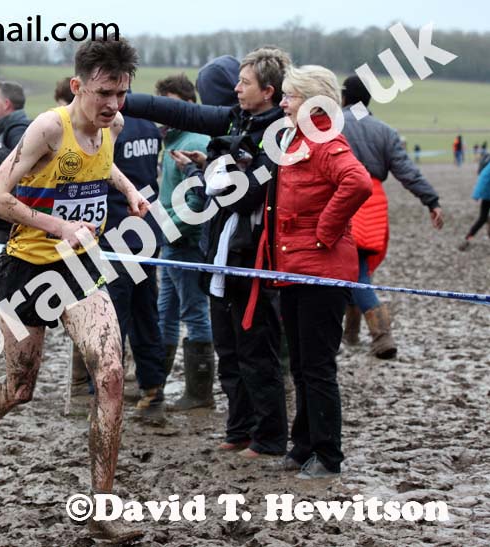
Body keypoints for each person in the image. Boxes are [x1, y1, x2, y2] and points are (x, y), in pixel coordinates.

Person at [0, 38, 149, 543]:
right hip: (26, 269)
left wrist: (129, 190)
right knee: (21, 387)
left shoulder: (112, 125)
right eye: (103, 93)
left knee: (111, 372)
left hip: (80, 270)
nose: (113, 104)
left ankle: (102, 506)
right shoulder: (49, 127)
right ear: (78, 87)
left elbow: (101, 164)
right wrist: (58, 226)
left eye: (121, 92)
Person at [122, 50, 291, 457]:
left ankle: (268, 439)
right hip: (218, 251)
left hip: (252, 256)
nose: (236, 89)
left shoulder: (279, 133)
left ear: (267, 91)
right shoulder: (236, 119)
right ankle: (239, 431)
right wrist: (116, 96)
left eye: (244, 83)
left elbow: (246, 193)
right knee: (229, 350)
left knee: (256, 352)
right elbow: (177, 113)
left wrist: (213, 174)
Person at [249, 65, 371, 478]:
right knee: (300, 365)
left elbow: (357, 183)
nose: (282, 103)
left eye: (290, 96)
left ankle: (328, 455)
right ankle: (303, 447)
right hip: (294, 269)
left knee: (318, 368)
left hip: (321, 273)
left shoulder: (325, 142)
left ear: (314, 101)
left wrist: (326, 230)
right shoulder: (298, 139)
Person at [339, 75, 444, 359]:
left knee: (356, 269)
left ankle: (382, 336)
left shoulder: (334, 126)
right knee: (358, 267)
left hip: (346, 201)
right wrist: (431, 200)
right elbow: (407, 172)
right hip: (374, 202)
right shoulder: (384, 130)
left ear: (344, 97)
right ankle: (351, 332)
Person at [100, 107, 167, 424]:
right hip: (146, 231)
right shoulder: (150, 127)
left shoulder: (108, 127)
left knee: (112, 321)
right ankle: (153, 390)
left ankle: (105, 395)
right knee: (146, 314)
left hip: (116, 234)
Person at [152, 73, 214, 411]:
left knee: (194, 312)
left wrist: (170, 227)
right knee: (166, 314)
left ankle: (200, 393)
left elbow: (198, 199)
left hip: (185, 242)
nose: (165, 115)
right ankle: (156, 386)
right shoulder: (171, 139)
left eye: (172, 107)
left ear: (189, 105)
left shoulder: (196, 141)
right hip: (170, 240)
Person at [458, 160, 490, 250]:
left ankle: (468, 237)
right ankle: (468, 238)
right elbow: (484, 179)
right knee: (483, 218)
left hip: (486, 195)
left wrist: (477, 194)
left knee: (483, 218)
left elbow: (483, 179)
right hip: (487, 195)